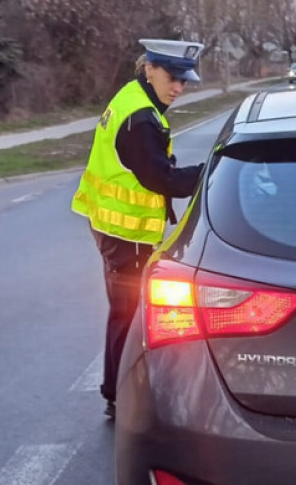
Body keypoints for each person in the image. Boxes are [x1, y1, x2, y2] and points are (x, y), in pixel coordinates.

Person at [72, 39, 206, 419]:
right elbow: (160, 178)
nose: (178, 88)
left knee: (125, 313)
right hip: (125, 235)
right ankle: (119, 395)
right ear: (149, 69)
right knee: (129, 317)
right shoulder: (141, 119)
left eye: (185, 81)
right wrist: (210, 174)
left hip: (114, 228)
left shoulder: (135, 99)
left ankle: (118, 392)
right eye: (172, 78)